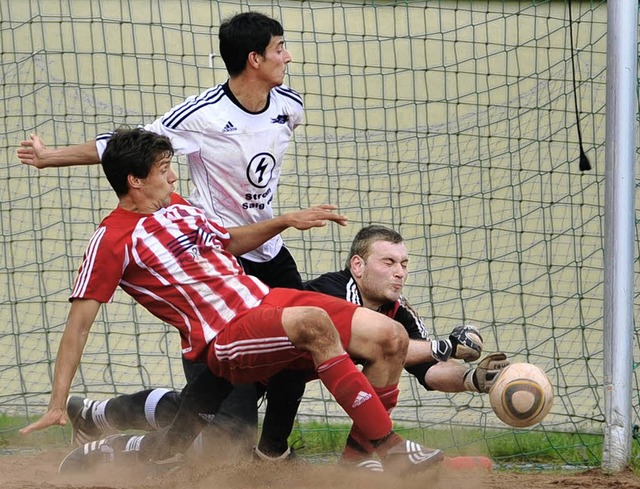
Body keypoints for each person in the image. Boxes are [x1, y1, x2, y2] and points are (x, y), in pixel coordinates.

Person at [21, 127, 444, 475]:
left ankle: (355, 468)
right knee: (229, 435)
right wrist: (57, 402)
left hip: (266, 301)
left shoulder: (181, 207)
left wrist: (285, 220)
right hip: (223, 337)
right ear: (134, 180)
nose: (173, 178)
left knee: (391, 337)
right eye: (165, 169)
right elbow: (78, 326)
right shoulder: (111, 239)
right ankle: (390, 447)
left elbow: (230, 242)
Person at [18, 11, 314, 459]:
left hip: (263, 250)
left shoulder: (289, 107)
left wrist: (282, 221)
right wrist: (49, 157)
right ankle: (109, 425)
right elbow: (128, 146)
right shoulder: (198, 118)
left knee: (303, 351)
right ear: (254, 59)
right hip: (220, 259)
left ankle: (273, 453)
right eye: (279, 48)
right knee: (225, 424)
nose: (288, 56)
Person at [53, 224, 507, 471]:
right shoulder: (330, 292)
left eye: (404, 263)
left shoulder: (397, 317)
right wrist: (444, 344)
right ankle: (98, 417)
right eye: (388, 262)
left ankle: (356, 467)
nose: (399, 272)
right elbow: (410, 349)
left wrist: (473, 379)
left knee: (240, 451)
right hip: (248, 362)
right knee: (216, 444)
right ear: (357, 265)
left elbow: (425, 369)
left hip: (283, 383)